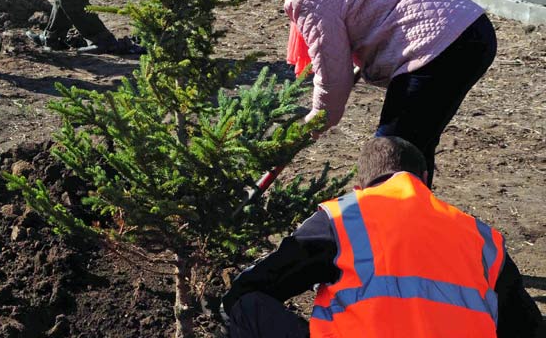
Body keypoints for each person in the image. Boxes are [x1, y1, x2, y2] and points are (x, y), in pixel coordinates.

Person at [247, 0, 496, 186]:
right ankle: (418, 218)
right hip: (473, 29)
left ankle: (393, 222)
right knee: (414, 145)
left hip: (435, 51)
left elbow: (333, 73)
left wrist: (316, 120)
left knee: (391, 154)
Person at [223, 136, 544, 338]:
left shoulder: (343, 218)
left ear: (359, 188)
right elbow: (529, 329)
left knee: (246, 306)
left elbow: (249, 289)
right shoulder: (483, 239)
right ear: (426, 179)